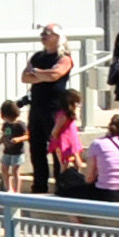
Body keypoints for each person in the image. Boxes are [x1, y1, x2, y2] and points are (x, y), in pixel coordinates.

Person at [23, 26, 78, 169]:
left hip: (54, 107)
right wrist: (44, 75)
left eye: (47, 33)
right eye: (42, 33)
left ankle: (61, 181)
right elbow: (24, 78)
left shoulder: (64, 58)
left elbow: (55, 75)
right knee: (36, 147)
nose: (43, 36)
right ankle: (39, 185)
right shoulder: (37, 57)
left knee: (56, 145)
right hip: (36, 106)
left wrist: (35, 72)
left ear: (57, 36)